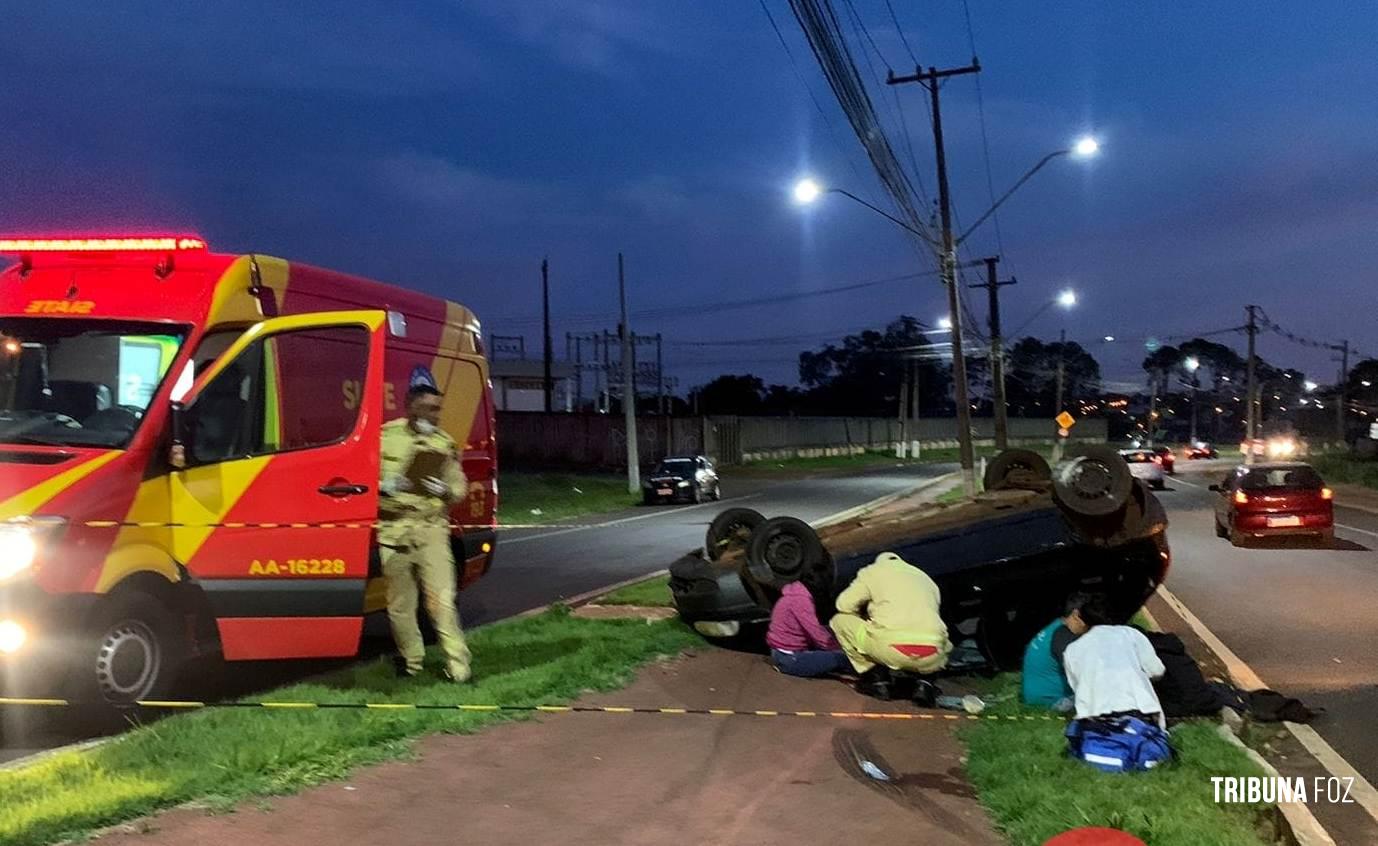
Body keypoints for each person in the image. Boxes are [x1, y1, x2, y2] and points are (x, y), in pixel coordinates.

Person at [378, 384, 472, 682]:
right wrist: (385, 486)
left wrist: (445, 490)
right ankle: (411, 662)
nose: (436, 415)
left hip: (431, 528)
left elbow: (459, 487)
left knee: (442, 602)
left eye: (438, 409)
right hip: (394, 529)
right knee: (400, 606)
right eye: (430, 408)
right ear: (411, 406)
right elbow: (361, 482)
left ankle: (459, 668)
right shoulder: (384, 438)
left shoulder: (443, 443)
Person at [829, 552, 951, 687]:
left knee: (839, 620)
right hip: (932, 653)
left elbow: (843, 605)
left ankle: (876, 678)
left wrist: (864, 613)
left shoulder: (873, 572)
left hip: (890, 647)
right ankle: (926, 683)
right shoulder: (925, 578)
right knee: (940, 638)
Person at [1061, 595, 1166, 727]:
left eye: (1066, 618)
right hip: (1143, 715)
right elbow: (1157, 670)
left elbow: (1079, 688)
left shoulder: (1072, 650)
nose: (1065, 623)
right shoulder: (1130, 634)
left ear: (1077, 616)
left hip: (1094, 723)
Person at [766, 565, 849, 677]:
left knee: (829, 632)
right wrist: (841, 649)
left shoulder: (795, 593)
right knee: (841, 658)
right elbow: (816, 633)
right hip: (790, 659)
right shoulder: (801, 601)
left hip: (782, 653)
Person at [1021, 593, 1090, 710]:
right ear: (1076, 615)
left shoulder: (1055, 627)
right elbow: (1083, 673)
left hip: (1037, 698)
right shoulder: (1064, 637)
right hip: (1054, 701)